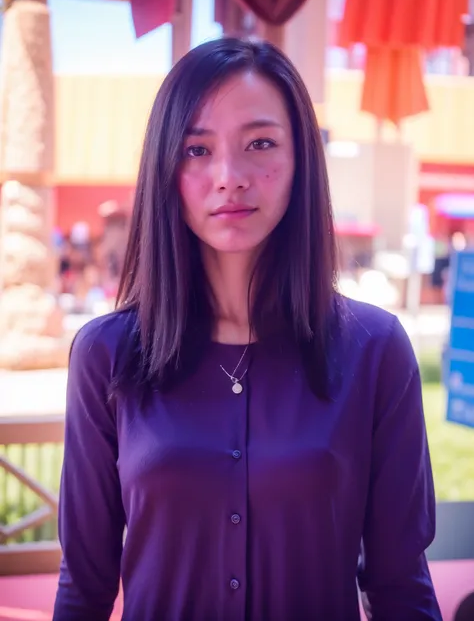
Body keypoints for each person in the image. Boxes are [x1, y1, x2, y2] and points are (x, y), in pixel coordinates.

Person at [53, 38, 441, 621]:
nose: (229, 177)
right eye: (197, 150)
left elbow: (400, 587)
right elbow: (83, 588)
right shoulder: (105, 354)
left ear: (301, 161)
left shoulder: (376, 351)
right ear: (165, 167)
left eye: (259, 143)